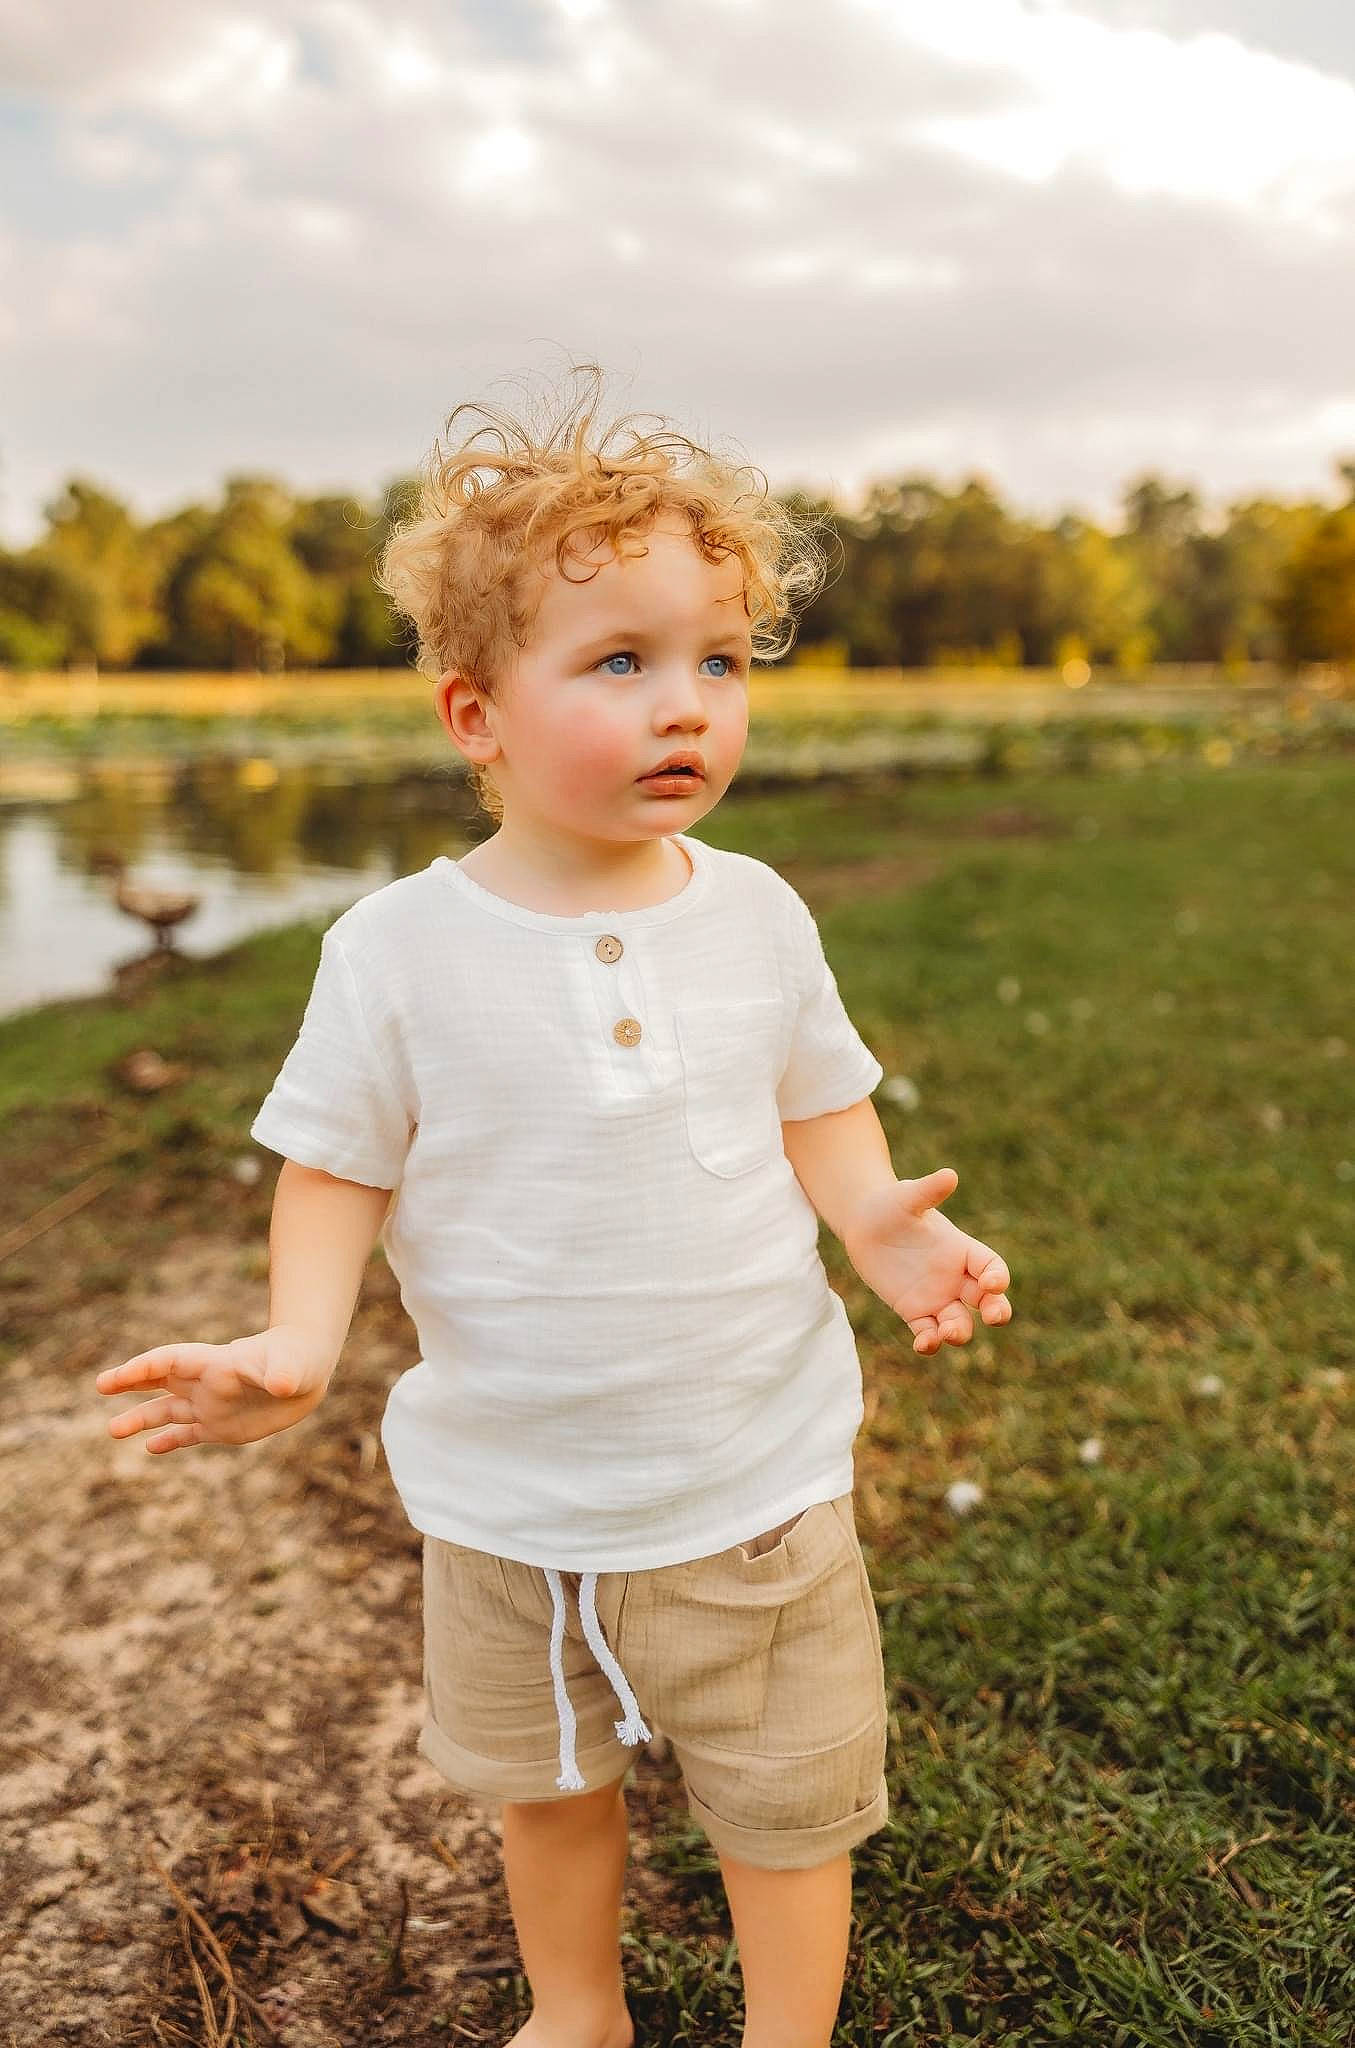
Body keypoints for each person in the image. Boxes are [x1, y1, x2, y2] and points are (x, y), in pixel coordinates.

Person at [95, 365, 1013, 2048]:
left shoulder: (758, 916)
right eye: (621, 663)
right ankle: (576, 2010)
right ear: (476, 716)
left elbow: (820, 1101)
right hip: (508, 1503)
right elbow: (335, 1164)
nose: (689, 708)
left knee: (788, 1805)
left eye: (719, 663)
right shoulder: (396, 951)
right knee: (548, 1781)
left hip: (746, 1480)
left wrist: (878, 1223)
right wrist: (299, 1343)